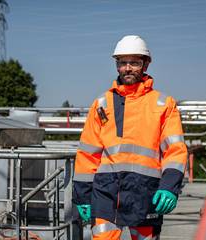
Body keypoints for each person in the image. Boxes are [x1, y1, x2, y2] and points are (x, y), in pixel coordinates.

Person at [72, 35, 187, 240]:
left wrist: (169, 187)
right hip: (106, 192)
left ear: (145, 64)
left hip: (146, 192)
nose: (127, 68)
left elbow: (175, 150)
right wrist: (82, 195)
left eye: (134, 62)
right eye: (122, 62)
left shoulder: (163, 104)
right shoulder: (101, 104)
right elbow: (88, 153)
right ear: (117, 65)